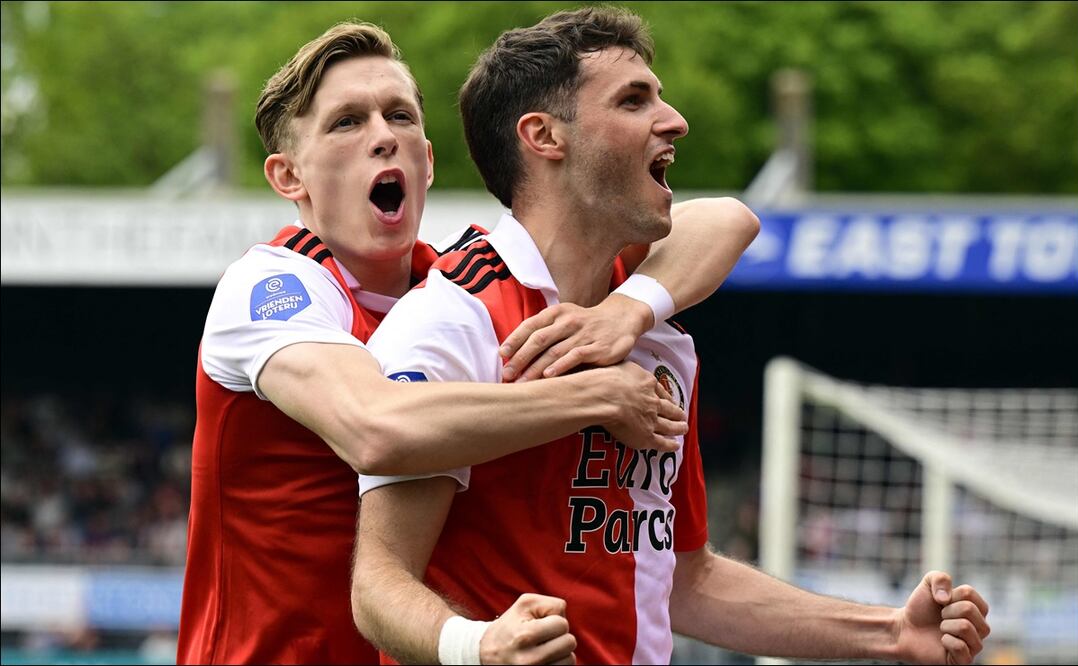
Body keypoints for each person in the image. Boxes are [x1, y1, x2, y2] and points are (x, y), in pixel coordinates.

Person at [350, 7, 990, 666]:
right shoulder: (456, 320)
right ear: (543, 136)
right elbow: (379, 585)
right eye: (633, 100)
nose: (674, 120)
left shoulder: (658, 335)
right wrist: (477, 646)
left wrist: (888, 632)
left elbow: (686, 579)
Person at [176, 18, 760, 666]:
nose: (382, 137)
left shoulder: (454, 289)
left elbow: (724, 220)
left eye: (398, 116)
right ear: (289, 178)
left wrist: (627, 309)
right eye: (346, 122)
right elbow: (376, 428)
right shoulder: (273, 287)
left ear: (426, 162)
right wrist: (597, 394)